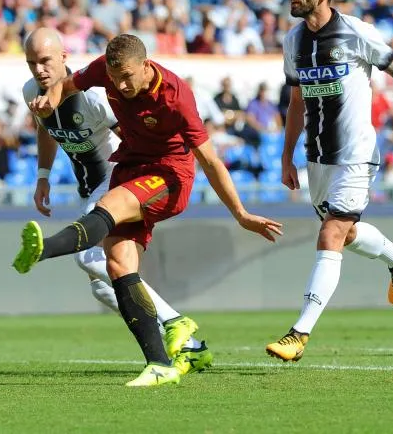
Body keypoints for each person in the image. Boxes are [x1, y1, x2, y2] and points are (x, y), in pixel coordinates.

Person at [15, 34, 282, 387]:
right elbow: (63, 94)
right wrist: (44, 167)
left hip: (167, 174)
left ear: (145, 65)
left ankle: (45, 249)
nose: (121, 85)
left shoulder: (175, 97)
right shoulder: (100, 73)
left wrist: (241, 214)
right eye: (115, 77)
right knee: (116, 266)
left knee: (98, 229)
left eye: (128, 76)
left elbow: (212, 161)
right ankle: (165, 360)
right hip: (131, 167)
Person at [21, 28, 212, 377]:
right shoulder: (31, 93)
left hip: (114, 181)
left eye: (46, 60)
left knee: (90, 258)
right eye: (32, 62)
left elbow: (132, 133)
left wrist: (144, 180)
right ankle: (189, 347)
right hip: (84, 187)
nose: (39, 69)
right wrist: (43, 175)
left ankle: (174, 323)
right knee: (101, 287)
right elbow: (46, 129)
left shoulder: (93, 98)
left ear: (64, 57)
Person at [265, 0, 393, 363]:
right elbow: (297, 100)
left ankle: (298, 334)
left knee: (332, 233)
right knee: (346, 234)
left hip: (356, 155)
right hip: (317, 158)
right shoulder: (293, 41)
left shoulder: (356, 32)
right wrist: (287, 155)